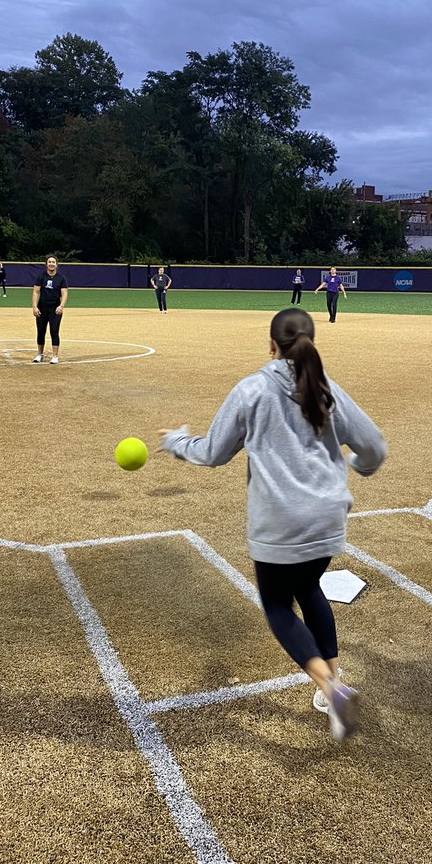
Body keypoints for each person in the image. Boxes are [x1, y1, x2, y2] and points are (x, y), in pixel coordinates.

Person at [159, 307, 387, 742]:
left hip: (280, 522)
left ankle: (329, 685)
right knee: (308, 587)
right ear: (311, 343)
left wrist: (176, 442)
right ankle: (332, 691)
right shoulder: (327, 391)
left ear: (271, 345)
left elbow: (213, 452)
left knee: (278, 606)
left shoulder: (252, 390)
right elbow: (373, 446)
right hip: (327, 518)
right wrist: (358, 463)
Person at [32, 255, 68, 363]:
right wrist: (34, 307)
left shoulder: (61, 278)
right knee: (41, 331)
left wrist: (61, 306)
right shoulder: (41, 277)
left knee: (54, 331)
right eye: (49, 262)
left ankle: (55, 356)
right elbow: (36, 291)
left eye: (53, 262)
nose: (51, 264)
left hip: (55, 308)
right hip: (42, 308)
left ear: (56, 264)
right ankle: (40, 354)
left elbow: (64, 293)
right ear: (46, 264)